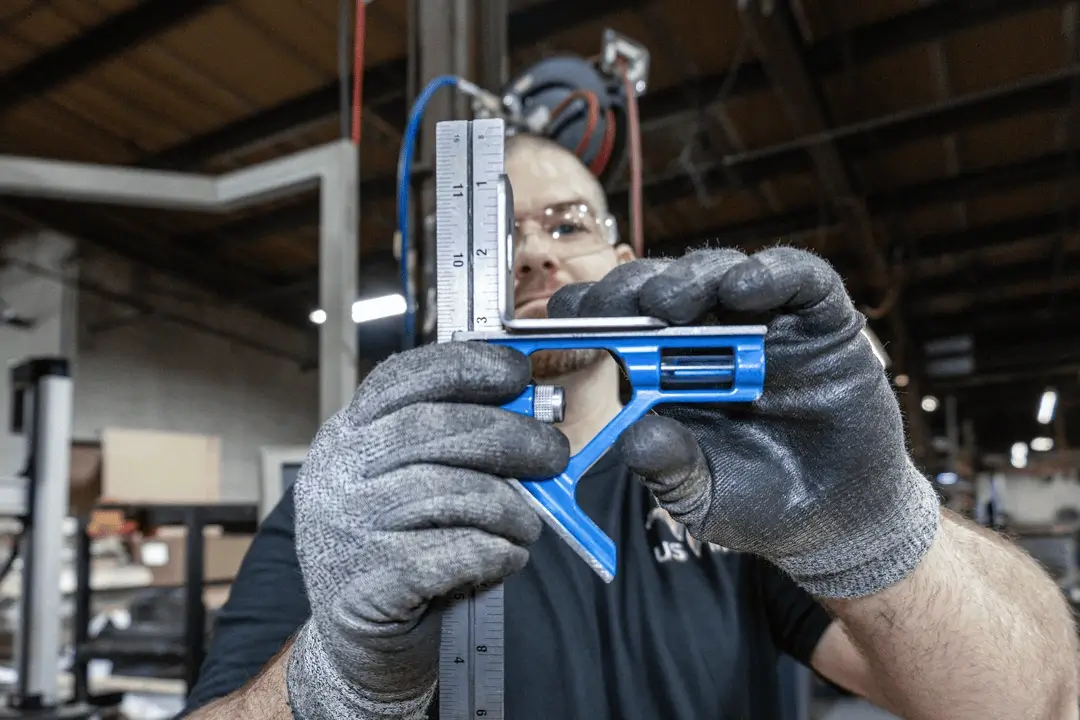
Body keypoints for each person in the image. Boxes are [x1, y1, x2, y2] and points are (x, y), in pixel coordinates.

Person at [180, 133, 1079, 720]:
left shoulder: (747, 471)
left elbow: (1034, 703)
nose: (533, 251)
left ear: (621, 260)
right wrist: (327, 683)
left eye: (565, 223)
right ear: (445, 290)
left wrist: (881, 534)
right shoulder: (354, 509)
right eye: (497, 233)